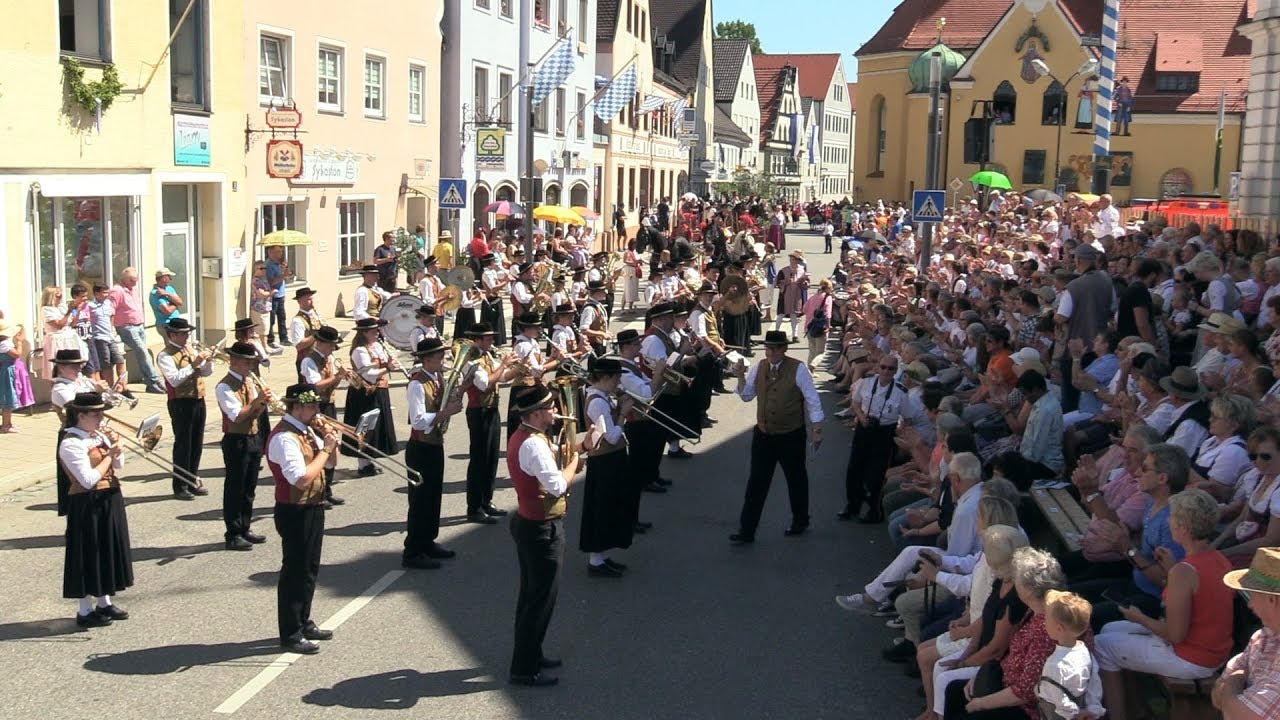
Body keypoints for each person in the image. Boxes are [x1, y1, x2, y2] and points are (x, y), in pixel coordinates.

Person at [1094, 488, 1234, 720]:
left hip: (1193, 658)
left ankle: (1119, 715)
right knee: (1110, 629)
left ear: (1184, 528)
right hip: (1213, 650)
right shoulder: (1219, 558)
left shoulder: (1184, 571)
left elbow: (1175, 634)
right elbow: (1199, 598)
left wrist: (1139, 618)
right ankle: (1136, 708)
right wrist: (1170, 572)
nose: (1168, 519)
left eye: (1172, 516)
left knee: (1101, 644)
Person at [507, 385, 580, 687]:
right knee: (539, 601)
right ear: (536, 414)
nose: (555, 411)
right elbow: (557, 486)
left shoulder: (527, 437)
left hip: (530, 523)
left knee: (531, 597)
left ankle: (532, 653)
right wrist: (576, 460)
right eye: (550, 407)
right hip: (541, 527)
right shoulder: (533, 444)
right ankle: (524, 669)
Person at [942, 547, 1070, 720]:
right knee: (955, 691)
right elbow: (1012, 655)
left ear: (1030, 590)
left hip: (1028, 709)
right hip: (1005, 682)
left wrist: (981, 703)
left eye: (1018, 580)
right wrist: (979, 676)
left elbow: (1024, 692)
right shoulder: (1036, 610)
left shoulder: (1048, 630)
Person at [729, 330, 824, 543]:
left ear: (784, 349)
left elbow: (812, 399)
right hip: (764, 434)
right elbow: (746, 396)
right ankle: (747, 530)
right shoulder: (759, 367)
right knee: (757, 482)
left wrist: (817, 429)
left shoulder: (798, 369)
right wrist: (740, 376)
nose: (771, 352)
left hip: (790, 434)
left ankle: (800, 519)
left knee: (796, 478)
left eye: (775, 348)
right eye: (768, 348)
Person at [267, 383, 341, 654]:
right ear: (297, 407)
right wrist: (324, 450)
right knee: (294, 572)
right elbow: (300, 478)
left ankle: (304, 620)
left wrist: (331, 444)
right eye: (312, 406)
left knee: (310, 569)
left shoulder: (306, 429)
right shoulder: (284, 437)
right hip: (294, 509)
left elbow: (330, 464)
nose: (317, 410)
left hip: (313, 505)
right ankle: (290, 632)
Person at [59, 392, 133, 627]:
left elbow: (118, 466)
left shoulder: (97, 436)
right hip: (86, 503)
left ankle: (104, 602)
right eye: (96, 414)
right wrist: (109, 455)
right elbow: (88, 479)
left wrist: (116, 449)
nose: (101, 419)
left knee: (107, 551)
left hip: (109, 498)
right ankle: (84, 610)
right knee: (87, 554)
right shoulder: (71, 443)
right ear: (81, 415)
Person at [402, 337, 464, 569]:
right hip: (420, 448)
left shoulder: (438, 377)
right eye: (440, 357)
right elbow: (418, 421)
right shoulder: (416, 384)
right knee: (420, 501)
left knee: (433, 496)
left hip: (435, 444)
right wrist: (445, 412)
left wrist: (457, 395)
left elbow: (442, 406)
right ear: (427, 359)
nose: (444, 360)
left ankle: (428, 541)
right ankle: (413, 551)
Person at [841, 354, 920, 523]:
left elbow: (908, 418)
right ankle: (852, 505)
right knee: (854, 469)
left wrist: (899, 430)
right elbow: (856, 402)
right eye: (883, 367)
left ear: (895, 370)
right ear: (878, 366)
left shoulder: (900, 392)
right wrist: (861, 417)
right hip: (865, 427)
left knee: (876, 474)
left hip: (884, 432)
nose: (886, 371)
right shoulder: (866, 383)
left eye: (891, 369)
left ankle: (873, 511)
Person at [579, 356, 635, 577]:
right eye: (616, 378)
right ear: (605, 377)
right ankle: (595, 560)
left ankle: (601, 556)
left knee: (610, 507)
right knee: (602, 508)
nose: (619, 382)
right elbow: (611, 437)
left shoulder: (603, 396)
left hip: (611, 460)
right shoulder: (598, 402)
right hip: (605, 461)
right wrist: (623, 413)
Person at [215, 342, 272, 552]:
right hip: (236, 440)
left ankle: (245, 527)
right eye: (247, 362)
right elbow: (236, 415)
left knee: (249, 488)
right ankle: (233, 533)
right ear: (235, 361)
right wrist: (257, 400)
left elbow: (254, 412)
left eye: (252, 362)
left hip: (253, 437)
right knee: (235, 488)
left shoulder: (249, 380)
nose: (250, 366)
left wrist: (263, 403)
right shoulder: (224, 386)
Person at [1216, 547, 1280, 718]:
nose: (1250, 604)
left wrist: (1235, 679)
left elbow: (1238, 715)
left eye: (1252, 595)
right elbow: (1217, 696)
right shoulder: (1264, 636)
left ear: (1271, 599)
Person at [156, 317, 214, 500]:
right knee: (183, 444)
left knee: (196, 442)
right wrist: (194, 364)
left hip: (197, 399)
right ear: (172, 334)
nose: (187, 337)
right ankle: (180, 485)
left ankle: (191, 480)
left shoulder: (188, 349)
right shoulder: (165, 355)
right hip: (180, 402)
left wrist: (207, 361)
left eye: (187, 333)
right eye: (183, 334)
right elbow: (174, 379)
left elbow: (205, 372)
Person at [462, 323, 514, 524]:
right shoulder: (471, 360)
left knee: (491, 458)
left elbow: (500, 379)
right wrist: (504, 365)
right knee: (479, 460)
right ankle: (474, 507)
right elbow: (484, 385)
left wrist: (514, 370)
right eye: (488, 339)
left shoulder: (487, 356)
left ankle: (486, 500)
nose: (492, 341)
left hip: (491, 409)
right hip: (479, 412)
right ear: (477, 340)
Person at [342, 318, 399, 477]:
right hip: (364, 393)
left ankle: (369, 461)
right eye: (374, 331)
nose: (377, 333)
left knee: (376, 426)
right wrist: (388, 368)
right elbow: (369, 375)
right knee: (365, 426)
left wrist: (390, 360)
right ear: (364, 333)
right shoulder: (359, 351)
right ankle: (363, 464)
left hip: (379, 390)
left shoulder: (377, 346)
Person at [297, 325, 345, 507]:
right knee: (320, 448)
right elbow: (315, 386)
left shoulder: (329, 358)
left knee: (332, 444)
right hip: (316, 408)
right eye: (331, 345)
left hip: (329, 404)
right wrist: (337, 377)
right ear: (321, 343)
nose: (333, 349)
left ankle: (328, 489)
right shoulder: (309, 361)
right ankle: (318, 492)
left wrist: (340, 376)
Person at [1037, 591, 1105, 720]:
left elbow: (1059, 699)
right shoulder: (1085, 651)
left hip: (1058, 714)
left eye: (1046, 619)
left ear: (1059, 629)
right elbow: (1094, 683)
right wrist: (1092, 708)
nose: (1044, 623)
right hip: (1082, 708)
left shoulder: (1055, 664)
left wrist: (1074, 714)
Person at [107, 267, 165, 394]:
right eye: (132, 280)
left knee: (143, 354)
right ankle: (153, 381)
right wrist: (111, 329)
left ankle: (152, 381)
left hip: (139, 325)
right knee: (143, 352)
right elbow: (111, 310)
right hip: (127, 327)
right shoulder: (117, 291)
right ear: (124, 279)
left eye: (136, 280)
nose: (135, 283)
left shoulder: (134, 289)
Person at [87, 284, 128, 393]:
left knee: (120, 361)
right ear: (96, 294)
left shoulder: (108, 303)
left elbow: (111, 316)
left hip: (110, 337)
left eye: (107, 292)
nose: (106, 295)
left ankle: (124, 388)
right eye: (104, 293)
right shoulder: (91, 306)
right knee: (107, 365)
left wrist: (111, 328)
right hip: (99, 338)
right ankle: (110, 390)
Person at [40, 285, 83, 380]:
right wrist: (68, 312)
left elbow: (73, 323)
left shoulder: (62, 307)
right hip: (56, 340)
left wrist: (76, 310)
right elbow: (59, 325)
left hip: (69, 339)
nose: (60, 298)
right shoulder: (46, 309)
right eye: (58, 296)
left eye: (61, 296)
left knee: (72, 367)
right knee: (56, 371)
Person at [0, 320, 34, 434]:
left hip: (6, 371)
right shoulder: (4, 344)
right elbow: (16, 354)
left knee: (9, 397)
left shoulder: (3, 343)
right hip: (7, 372)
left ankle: (8, 423)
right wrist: (19, 343)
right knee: (8, 397)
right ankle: (5, 425)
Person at [802, 278, 834, 370]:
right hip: (821, 327)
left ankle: (809, 371)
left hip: (809, 326)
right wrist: (828, 325)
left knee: (812, 350)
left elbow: (804, 309)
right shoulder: (827, 298)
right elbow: (828, 313)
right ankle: (813, 365)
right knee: (820, 352)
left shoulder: (813, 296)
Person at [264, 246, 292, 348]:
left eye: (281, 252)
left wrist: (286, 271)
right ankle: (270, 340)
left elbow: (287, 277)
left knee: (282, 318)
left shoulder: (279, 265)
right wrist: (283, 276)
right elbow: (271, 281)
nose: (280, 254)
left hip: (280, 295)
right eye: (278, 252)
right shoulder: (269, 265)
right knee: (271, 319)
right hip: (273, 296)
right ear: (270, 253)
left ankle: (284, 339)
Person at [287, 287, 322, 363]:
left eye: (312, 299)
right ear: (300, 302)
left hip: (319, 357)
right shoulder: (297, 321)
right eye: (309, 300)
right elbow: (299, 345)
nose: (312, 302)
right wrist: (317, 335)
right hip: (306, 360)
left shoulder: (315, 315)